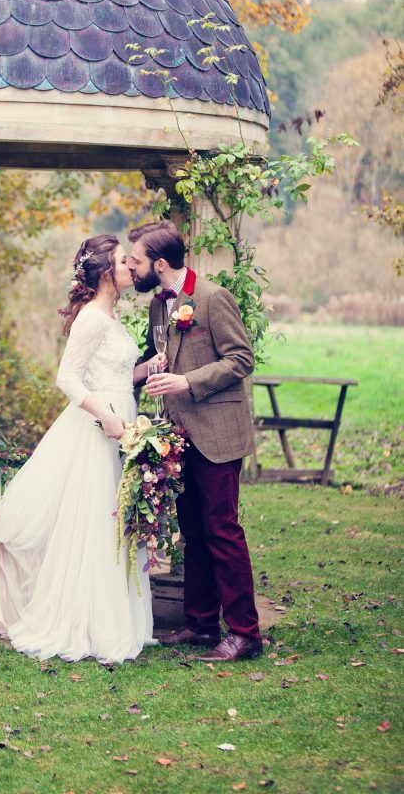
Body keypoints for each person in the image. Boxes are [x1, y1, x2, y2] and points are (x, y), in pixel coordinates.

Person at [0, 234, 164, 663]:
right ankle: (84, 623)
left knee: (116, 522)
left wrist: (149, 367)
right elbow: (68, 378)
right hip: (97, 429)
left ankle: (114, 620)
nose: (132, 267)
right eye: (125, 261)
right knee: (96, 525)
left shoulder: (111, 316)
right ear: (106, 271)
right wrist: (104, 416)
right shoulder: (92, 319)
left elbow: (119, 376)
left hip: (123, 426)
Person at [128, 220, 262, 662]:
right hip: (179, 439)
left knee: (223, 531)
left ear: (160, 264)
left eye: (136, 261)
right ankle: (202, 624)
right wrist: (155, 369)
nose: (131, 268)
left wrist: (186, 381)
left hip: (218, 435)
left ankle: (244, 634)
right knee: (193, 533)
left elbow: (241, 358)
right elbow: (161, 356)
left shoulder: (211, 297)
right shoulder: (157, 305)